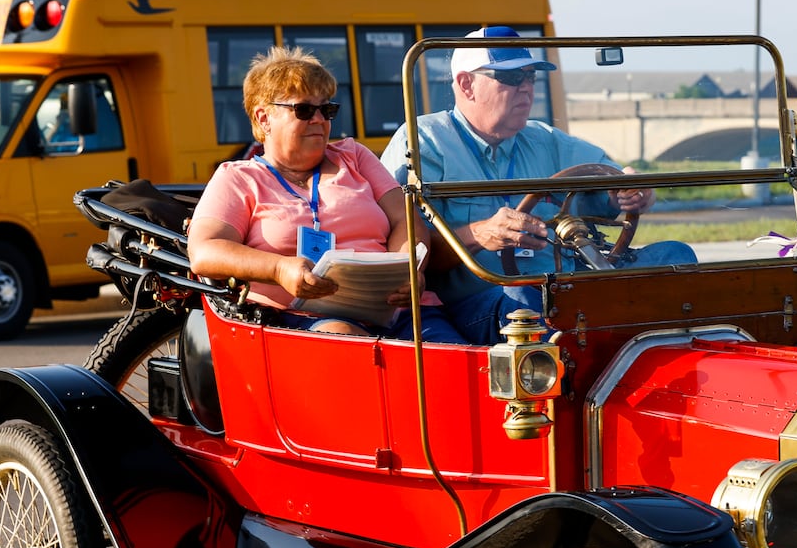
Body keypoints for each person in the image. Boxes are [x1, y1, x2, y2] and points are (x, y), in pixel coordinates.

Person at [380, 26, 696, 346]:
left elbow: (612, 180)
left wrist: (632, 190)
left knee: (675, 256)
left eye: (531, 77)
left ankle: (664, 361)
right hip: (479, 301)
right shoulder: (423, 141)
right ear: (466, 84)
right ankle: (587, 372)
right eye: (513, 78)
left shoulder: (543, 139)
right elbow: (403, 252)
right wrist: (479, 234)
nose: (527, 89)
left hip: (565, 288)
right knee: (521, 298)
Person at [188, 46, 436, 336]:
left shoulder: (353, 155)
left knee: (464, 356)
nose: (319, 119)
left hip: (402, 312)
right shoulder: (238, 178)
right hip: (303, 320)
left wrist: (408, 269)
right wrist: (279, 269)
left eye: (327, 109)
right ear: (264, 118)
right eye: (304, 109)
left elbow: (406, 219)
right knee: (344, 337)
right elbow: (205, 251)